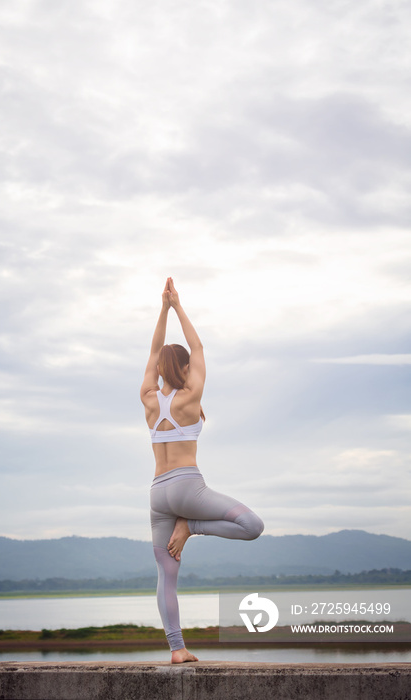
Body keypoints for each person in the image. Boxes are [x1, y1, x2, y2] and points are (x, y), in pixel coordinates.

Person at [140, 278, 264, 664]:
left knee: (166, 574)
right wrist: (177, 306)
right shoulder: (191, 396)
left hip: (158, 492)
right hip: (188, 488)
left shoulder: (147, 397)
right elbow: (197, 346)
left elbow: (154, 348)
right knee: (251, 525)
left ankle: (177, 649)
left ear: (161, 367)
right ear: (187, 367)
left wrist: (162, 309)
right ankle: (192, 527)